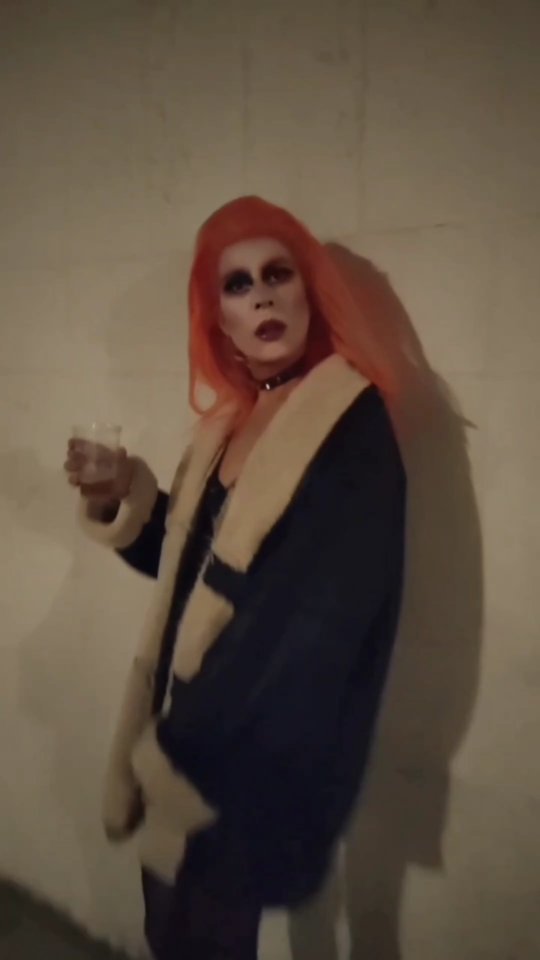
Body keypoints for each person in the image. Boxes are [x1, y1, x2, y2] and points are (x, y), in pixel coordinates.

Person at [65, 196, 406, 960]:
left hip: (249, 748)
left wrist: (205, 736)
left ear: (308, 291)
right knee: (171, 934)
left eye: (277, 275)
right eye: (238, 284)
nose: (261, 298)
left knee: (213, 942)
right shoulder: (225, 425)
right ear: (217, 319)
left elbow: (330, 613)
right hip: (180, 733)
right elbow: (183, 568)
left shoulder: (351, 423)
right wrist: (120, 496)